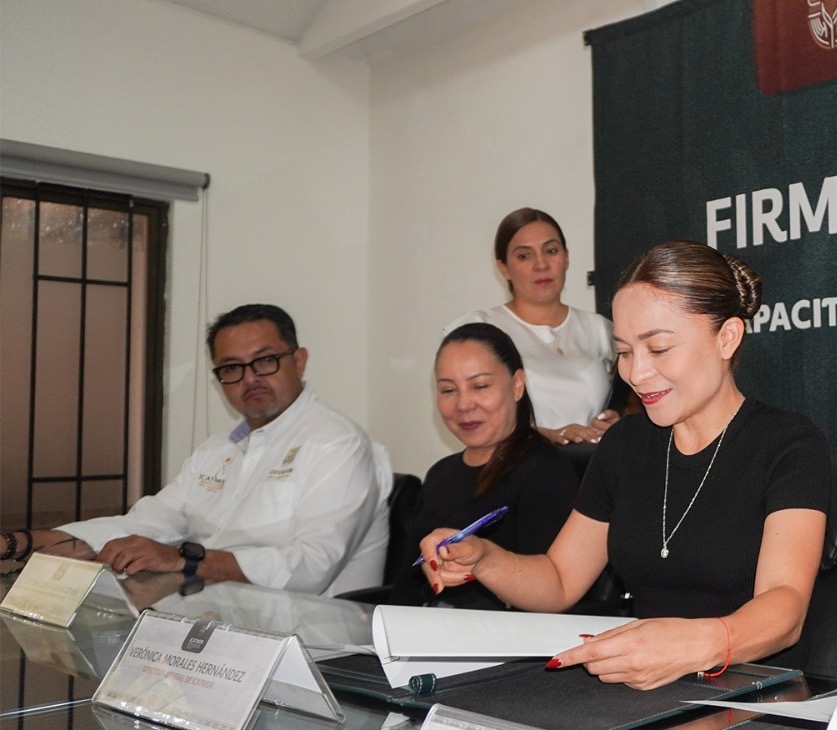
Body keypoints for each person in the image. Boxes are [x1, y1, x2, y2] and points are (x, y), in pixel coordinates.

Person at [422, 240, 830, 690]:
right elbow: (560, 580)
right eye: (625, 351)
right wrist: (484, 559)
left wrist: (689, 646)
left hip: (756, 694)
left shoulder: (788, 443)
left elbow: (785, 607)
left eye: (658, 348)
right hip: (645, 692)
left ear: (727, 338)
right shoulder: (625, 446)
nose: (635, 373)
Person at [1, 304, 392, 596]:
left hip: (316, 647)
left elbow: (312, 567)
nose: (250, 379)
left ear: (299, 361)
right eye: (232, 368)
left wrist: (183, 559)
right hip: (218, 627)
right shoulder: (219, 448)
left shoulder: (337, 444)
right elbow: (151, 521)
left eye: (265, 361)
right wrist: (24, 542)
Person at [389, 323, 579, 609]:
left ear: (517, 385)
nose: (464, 404)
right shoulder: (440, 474)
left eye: (480, 386)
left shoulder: (546, 472)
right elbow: (407, 588)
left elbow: (551, 593)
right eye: (448, 390)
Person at [446, 208, 625, 447]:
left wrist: (618, 423)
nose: (541, 264)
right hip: (516, 465)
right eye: (524, 256)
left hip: (593, 465)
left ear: (566, 258)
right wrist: (543, 437)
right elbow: (467, 415)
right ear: (503, 267)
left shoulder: (601, 330)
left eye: (551, 251)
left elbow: (632, 404)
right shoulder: (479, 330)